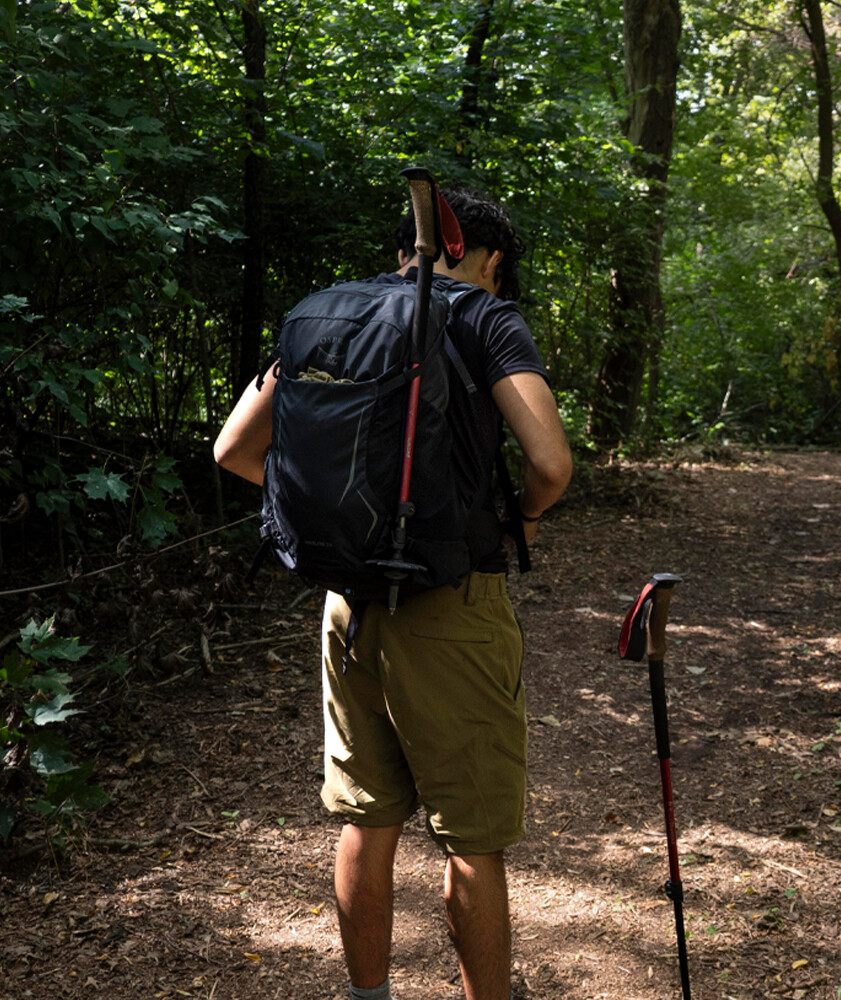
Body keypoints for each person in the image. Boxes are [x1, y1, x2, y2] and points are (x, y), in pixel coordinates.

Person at [214, 186, 572, 1000]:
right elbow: (550, 463)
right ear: (490, 260)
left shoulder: (326, 316)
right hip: (451, 605)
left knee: (366, 822)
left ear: (405, 249)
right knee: (473, 837)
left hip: (346, 602)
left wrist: (347, 521)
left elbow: (234, 448)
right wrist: (517, 516)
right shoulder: (484, 317)